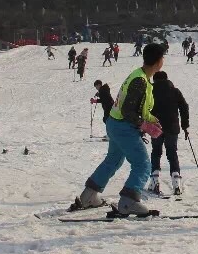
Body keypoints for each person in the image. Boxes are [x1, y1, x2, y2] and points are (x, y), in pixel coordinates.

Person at [71, 43, 167, 216]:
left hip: (114, 124)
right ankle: (129, 201)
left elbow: (136, 107)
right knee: (142, 164)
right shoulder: (140, 80)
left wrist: (151, 119)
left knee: (113, 161)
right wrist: (143, 124)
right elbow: (127, 110)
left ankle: (88, 197)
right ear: (158, 61)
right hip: (123, 127)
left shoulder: (141, 76)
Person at [149, 70, 189, 196]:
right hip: (172, 127)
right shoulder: (175, 91)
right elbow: (184, 107)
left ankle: (155, 181)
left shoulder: (150, 91)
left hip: (156, 126)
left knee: (156, 152)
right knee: (172, 152)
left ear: (154, 80)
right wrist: (185, 125)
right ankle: (176, 183)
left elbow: (144, 108)